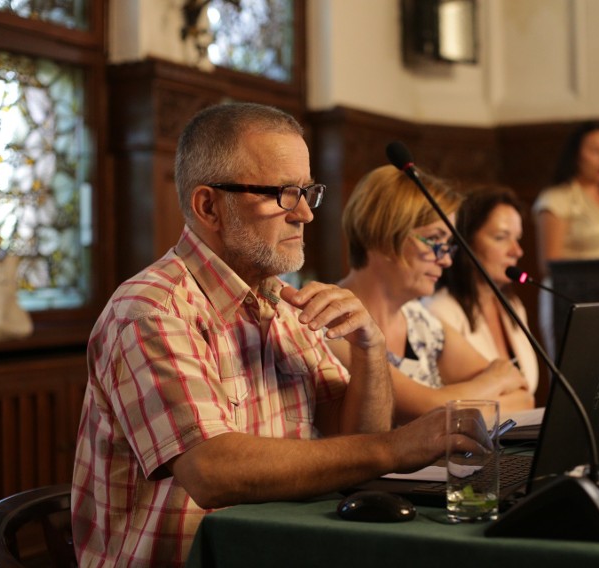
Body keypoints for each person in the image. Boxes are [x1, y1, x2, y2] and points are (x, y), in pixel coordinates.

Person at [70, 103, 486, 566]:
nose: (305, 214)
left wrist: (369, 349)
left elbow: (352, 442)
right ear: (209, 206)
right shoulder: (151, 311)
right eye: (283, 194)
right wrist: (396, 447)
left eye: (308, 191)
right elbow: (210, 470)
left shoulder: (283, 302)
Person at [335, 165, 534, 425]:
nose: (446, 261)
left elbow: (523, 397)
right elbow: (427, 408)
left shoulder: (421, 322)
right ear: (383, 235)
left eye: (448, 245)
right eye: (434, 240)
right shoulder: (334, 319)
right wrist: (494, 380)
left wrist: (452, 410)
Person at [532, 122, 599, 358]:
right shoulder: (557, 199)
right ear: (576, 155)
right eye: (596, 151)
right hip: (572, 301)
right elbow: (548, 263)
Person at [426, 185, 539, 394]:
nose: (517, 251)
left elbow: (526, 390)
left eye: (517, 238)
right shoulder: (438, 312)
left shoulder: (513, 306)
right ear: (465, 242)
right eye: (501, 237)